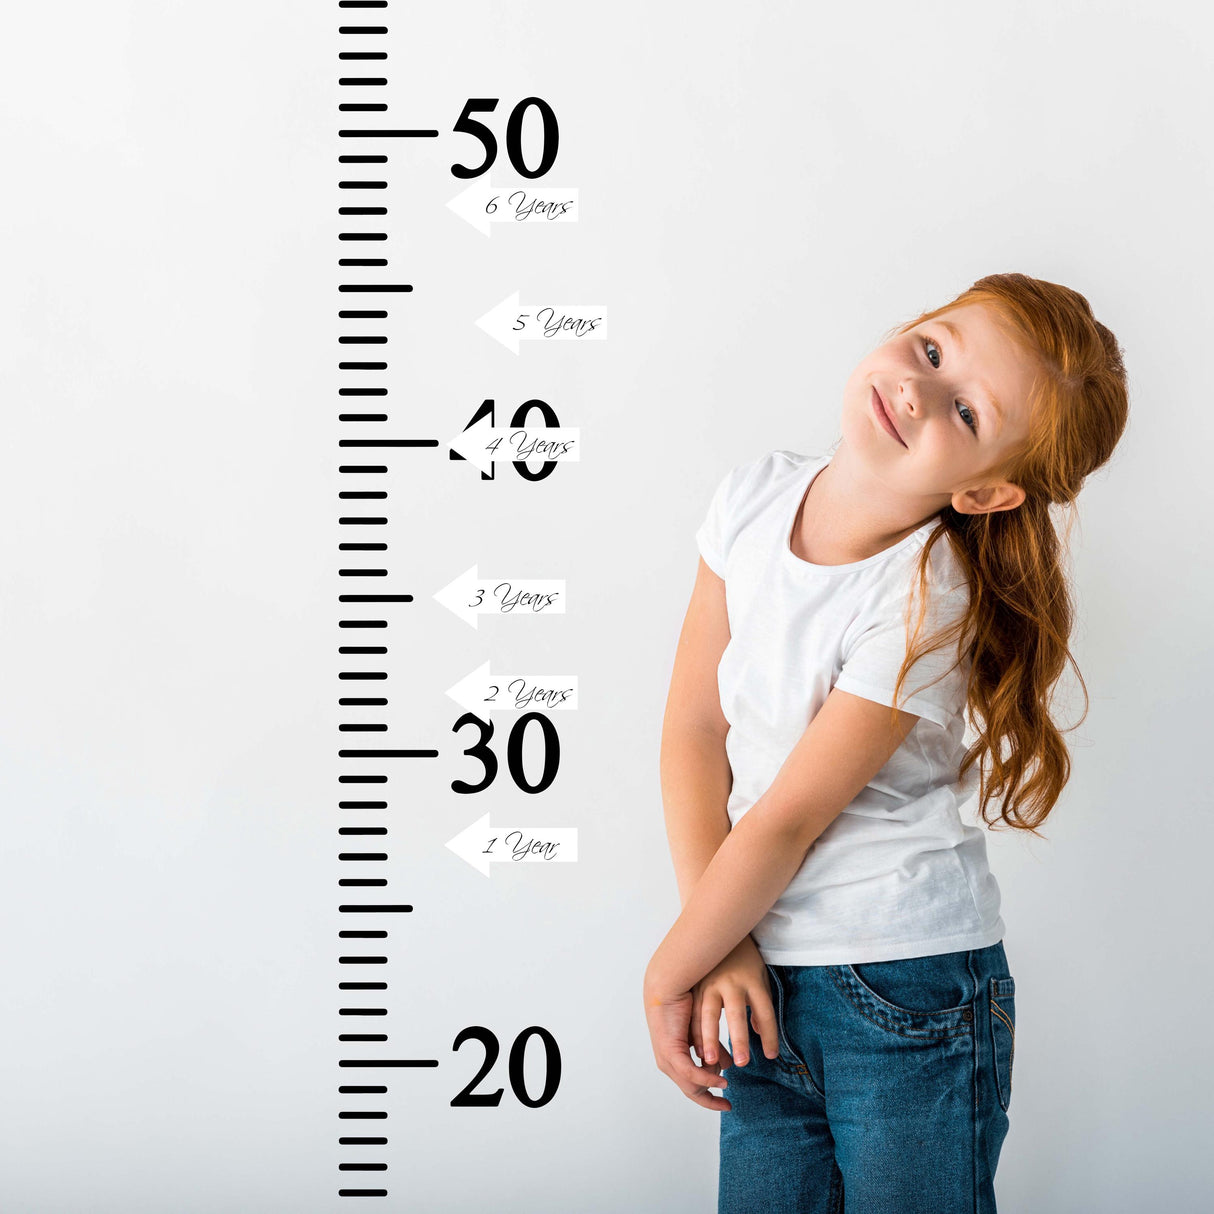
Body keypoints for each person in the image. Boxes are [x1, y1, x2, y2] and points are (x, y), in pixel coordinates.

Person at [642, 272, 1130, 1213]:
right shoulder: (751, 500)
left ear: (985, 492)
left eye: (964, 409)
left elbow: (788, 818)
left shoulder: (924, 600)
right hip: (759, 970)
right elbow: (695, 729)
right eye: (935, 349)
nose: (917, 388)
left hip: (903, 995)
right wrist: (725, 942)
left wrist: (674, 968)